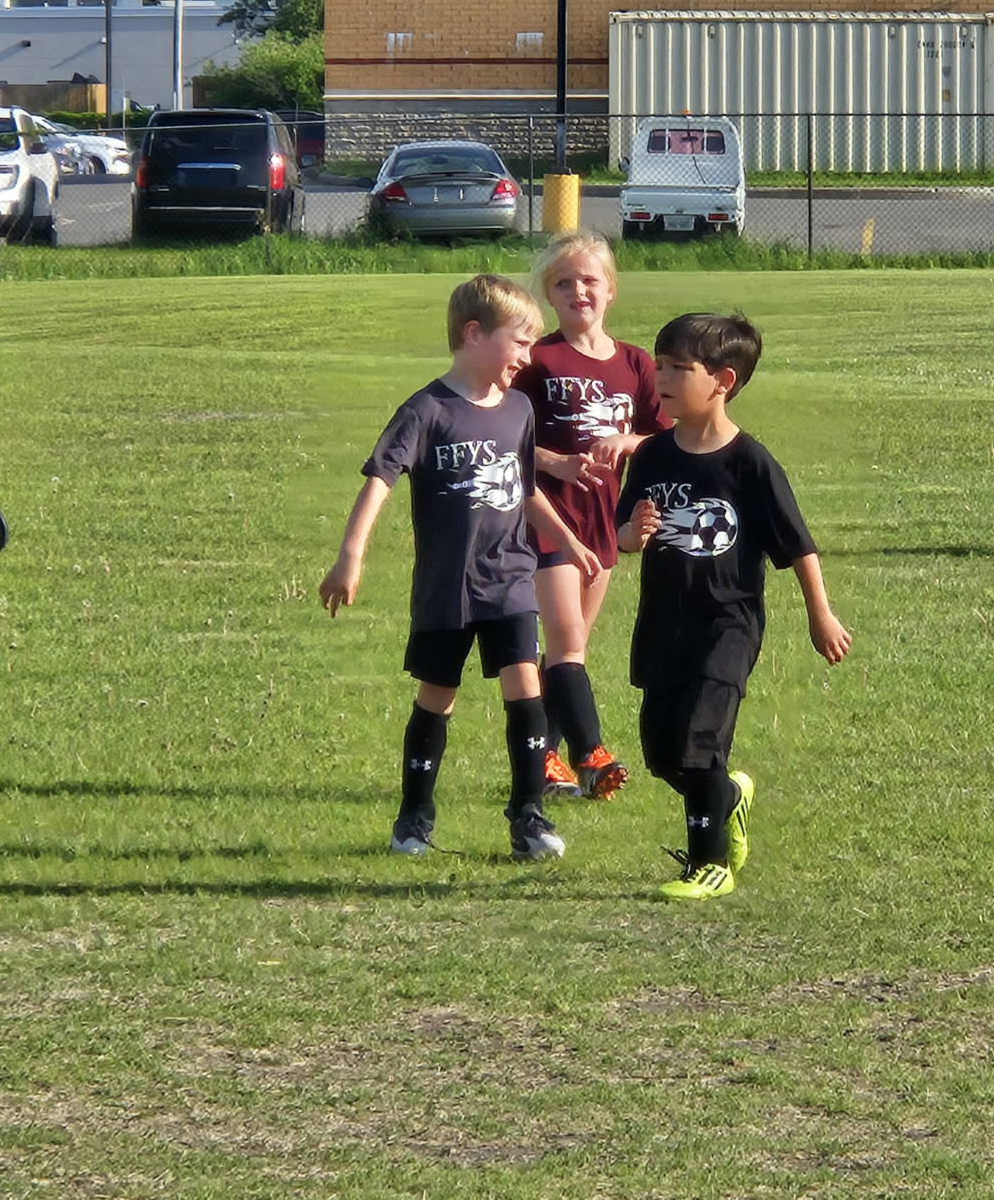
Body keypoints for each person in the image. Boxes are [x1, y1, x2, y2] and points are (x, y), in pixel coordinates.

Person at [320, 274, 602, 861]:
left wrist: (569, 542)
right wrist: (351, 555)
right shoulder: (427, 410)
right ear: (473, 335)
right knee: (436, 697)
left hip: (510, 580)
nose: (527, 358)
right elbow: (379, 480)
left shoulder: (520, 410)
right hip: (448, 587)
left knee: (526, 687)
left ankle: (528, 817)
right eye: (519, 343)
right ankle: (413, 821)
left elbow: (524, 491)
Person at [616, 312, 851, 900]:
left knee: (699, 741)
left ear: (722, 380)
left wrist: (820, 614)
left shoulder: (749, 463)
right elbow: (622, 533)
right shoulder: (650, 457)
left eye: (678, 368)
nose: (661, 377)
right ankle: (731, 797)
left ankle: (709, 864)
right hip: (663, 621)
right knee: (662, 751)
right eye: (659, 363)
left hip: (729, 621)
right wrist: (632, 534)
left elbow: (798, 545)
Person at [514, 232, 669, 798]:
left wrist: (626, 444)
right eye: (563, 282)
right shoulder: (538, 360)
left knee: (568, 650)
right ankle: (591, 754)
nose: (577, 290)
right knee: (567, 638)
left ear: (611, 291)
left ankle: (544, 761)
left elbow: (662, 438)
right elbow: (497, 434)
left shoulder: (635, 363)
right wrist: (553, 462)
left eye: (588, 280)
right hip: (546, 519)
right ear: (548, 297)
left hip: (601, 521)